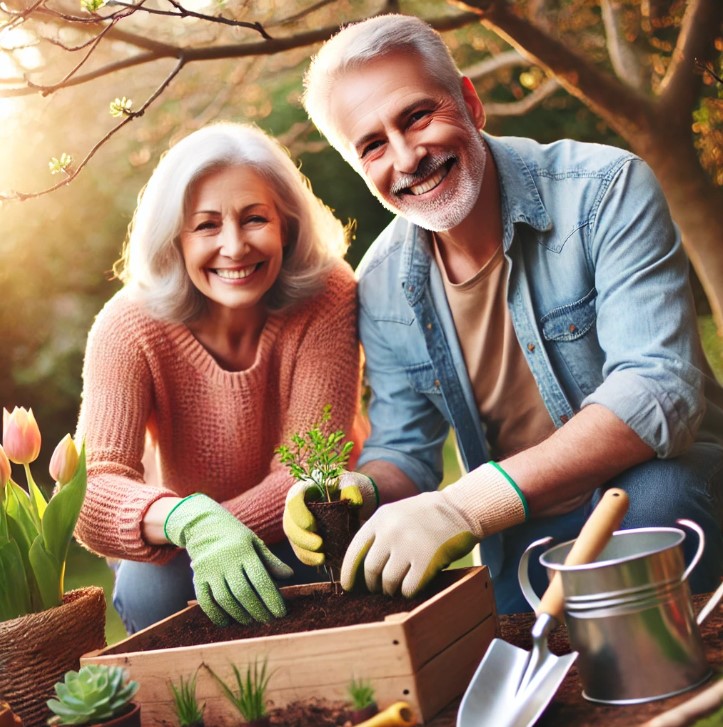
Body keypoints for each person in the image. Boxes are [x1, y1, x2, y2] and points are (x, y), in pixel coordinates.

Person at [283, 14, 723, 614]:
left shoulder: (604, 190)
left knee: (655, 499)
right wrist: (359, 491)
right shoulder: (381, 285)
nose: (408, 157)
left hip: (666, 488)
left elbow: (658, 391)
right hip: (517, 528)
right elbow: (406, 449)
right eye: (374, 145)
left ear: (470, 101)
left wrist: (464, 507)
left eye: (417, 116)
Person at [74, 122, 366, 633]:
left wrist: (225, 531)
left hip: (304, 523)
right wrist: (193, 523)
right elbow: (92, 487)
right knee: (149, 588)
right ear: (175, 238)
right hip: (184, 542)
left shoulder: (327, 295)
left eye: (254, 219)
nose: (234, 247)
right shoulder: (127, 324)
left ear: (287, 225)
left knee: (331, 546)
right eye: (207, 225)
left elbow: (310, 467)